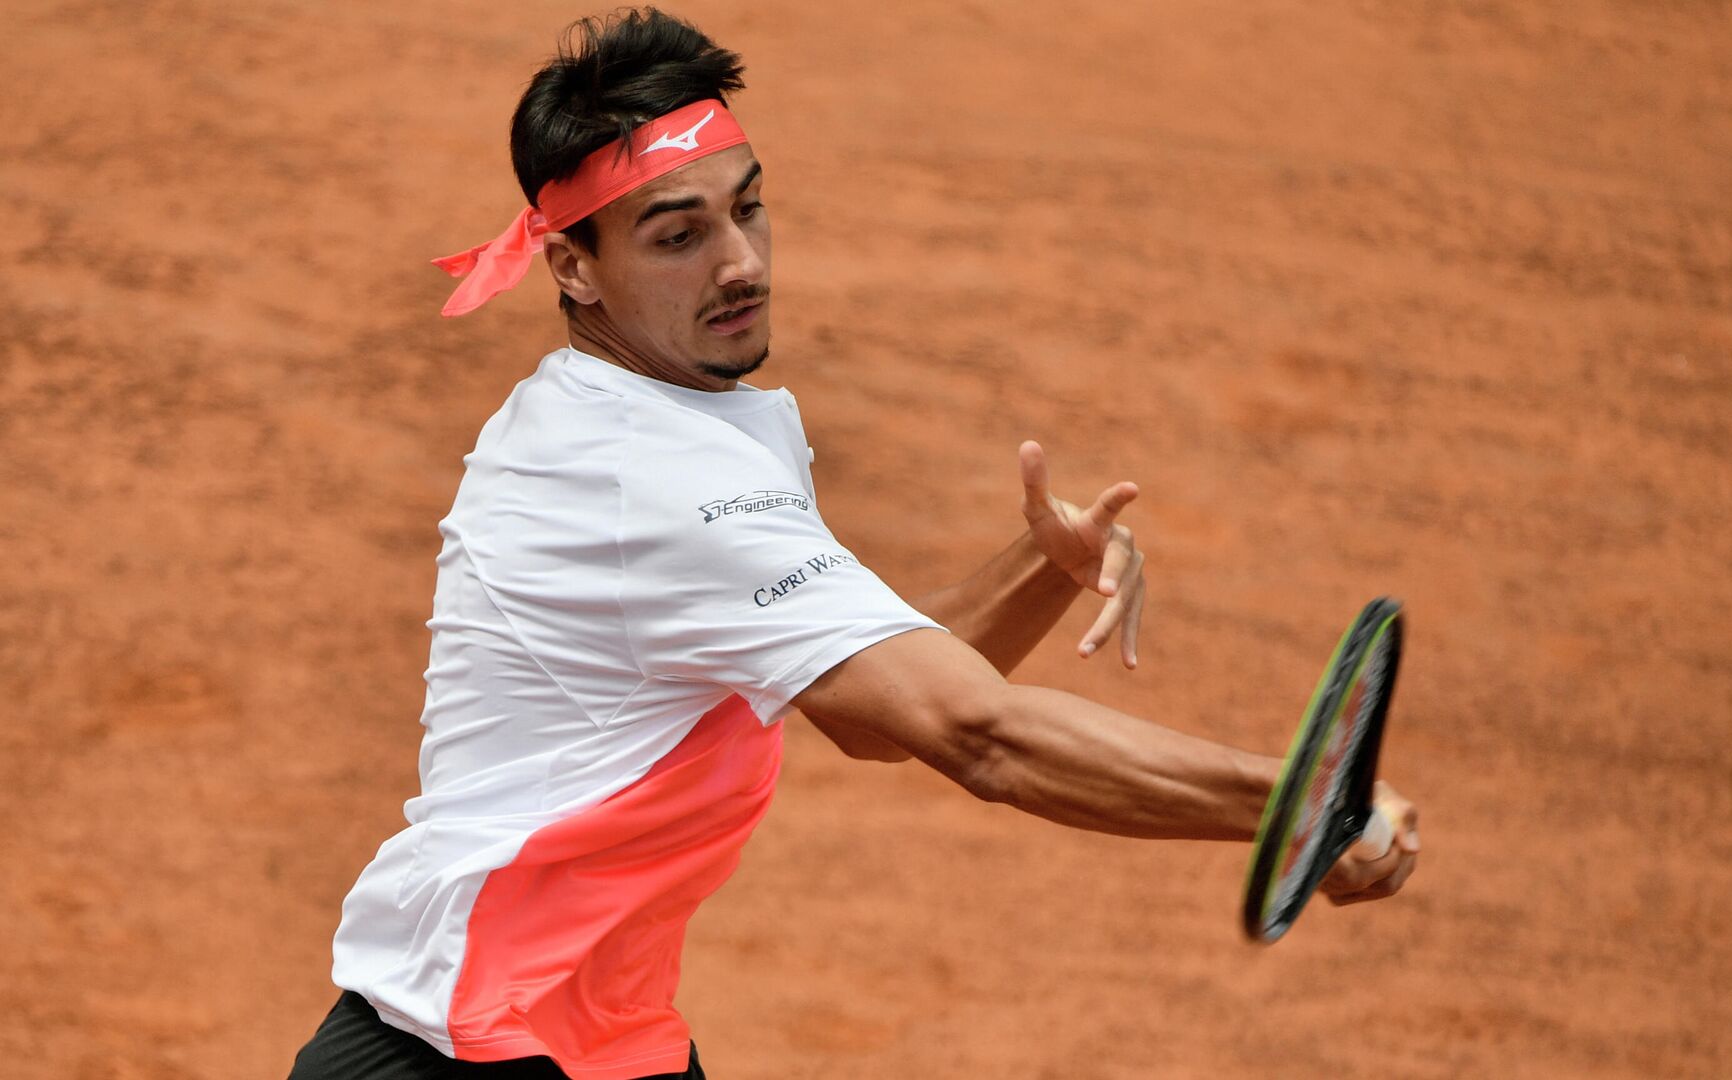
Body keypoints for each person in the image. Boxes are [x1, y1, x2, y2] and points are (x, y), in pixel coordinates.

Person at [287, 8, 1419, 1079]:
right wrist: (1306, 801)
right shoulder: (650, 479)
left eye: (749, 208)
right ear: (573, 269)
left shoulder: (670, 417)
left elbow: (872, 716)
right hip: (453, 1049)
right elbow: (978, 736)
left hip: (593, 1037)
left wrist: (1040, 568)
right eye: (678, 235)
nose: (740, 264)